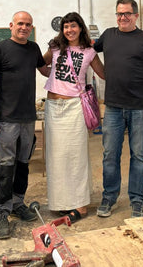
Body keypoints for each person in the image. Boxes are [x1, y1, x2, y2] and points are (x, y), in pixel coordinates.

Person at [94, 0, 143, 219]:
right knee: (110, 155)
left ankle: (137, 199)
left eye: (127, 13)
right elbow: (87, 51)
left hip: (139, 108)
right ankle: (109, 197)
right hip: (113, 107)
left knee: (138, 155)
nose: (122, 17)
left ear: (135, 16)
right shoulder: (108, 35)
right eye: (119, 13)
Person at [0, 11, 50, 240]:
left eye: (28, 24)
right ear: (11, 25)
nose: (24, 27)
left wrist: (64, 59)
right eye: (20, 23)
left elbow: (45, 70)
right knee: (5, 166)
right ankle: (1, 213)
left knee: (23, 163)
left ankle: (17, 204)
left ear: (31, 27)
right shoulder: (0, 49)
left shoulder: (33, 48)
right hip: (7, 119)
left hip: (28, 118)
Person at [43, 12, 104, 222]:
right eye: (66, 26)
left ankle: (80, 205)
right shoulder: (55, 47)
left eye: (73, 26)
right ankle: (61, 203)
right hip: (53, 107)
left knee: (77, 157)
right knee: (56, 157)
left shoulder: (89, 51)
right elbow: (41, 65)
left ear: (80, 28)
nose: (69, 30)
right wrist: (52, 74)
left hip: (75, 107)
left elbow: (103, 73)